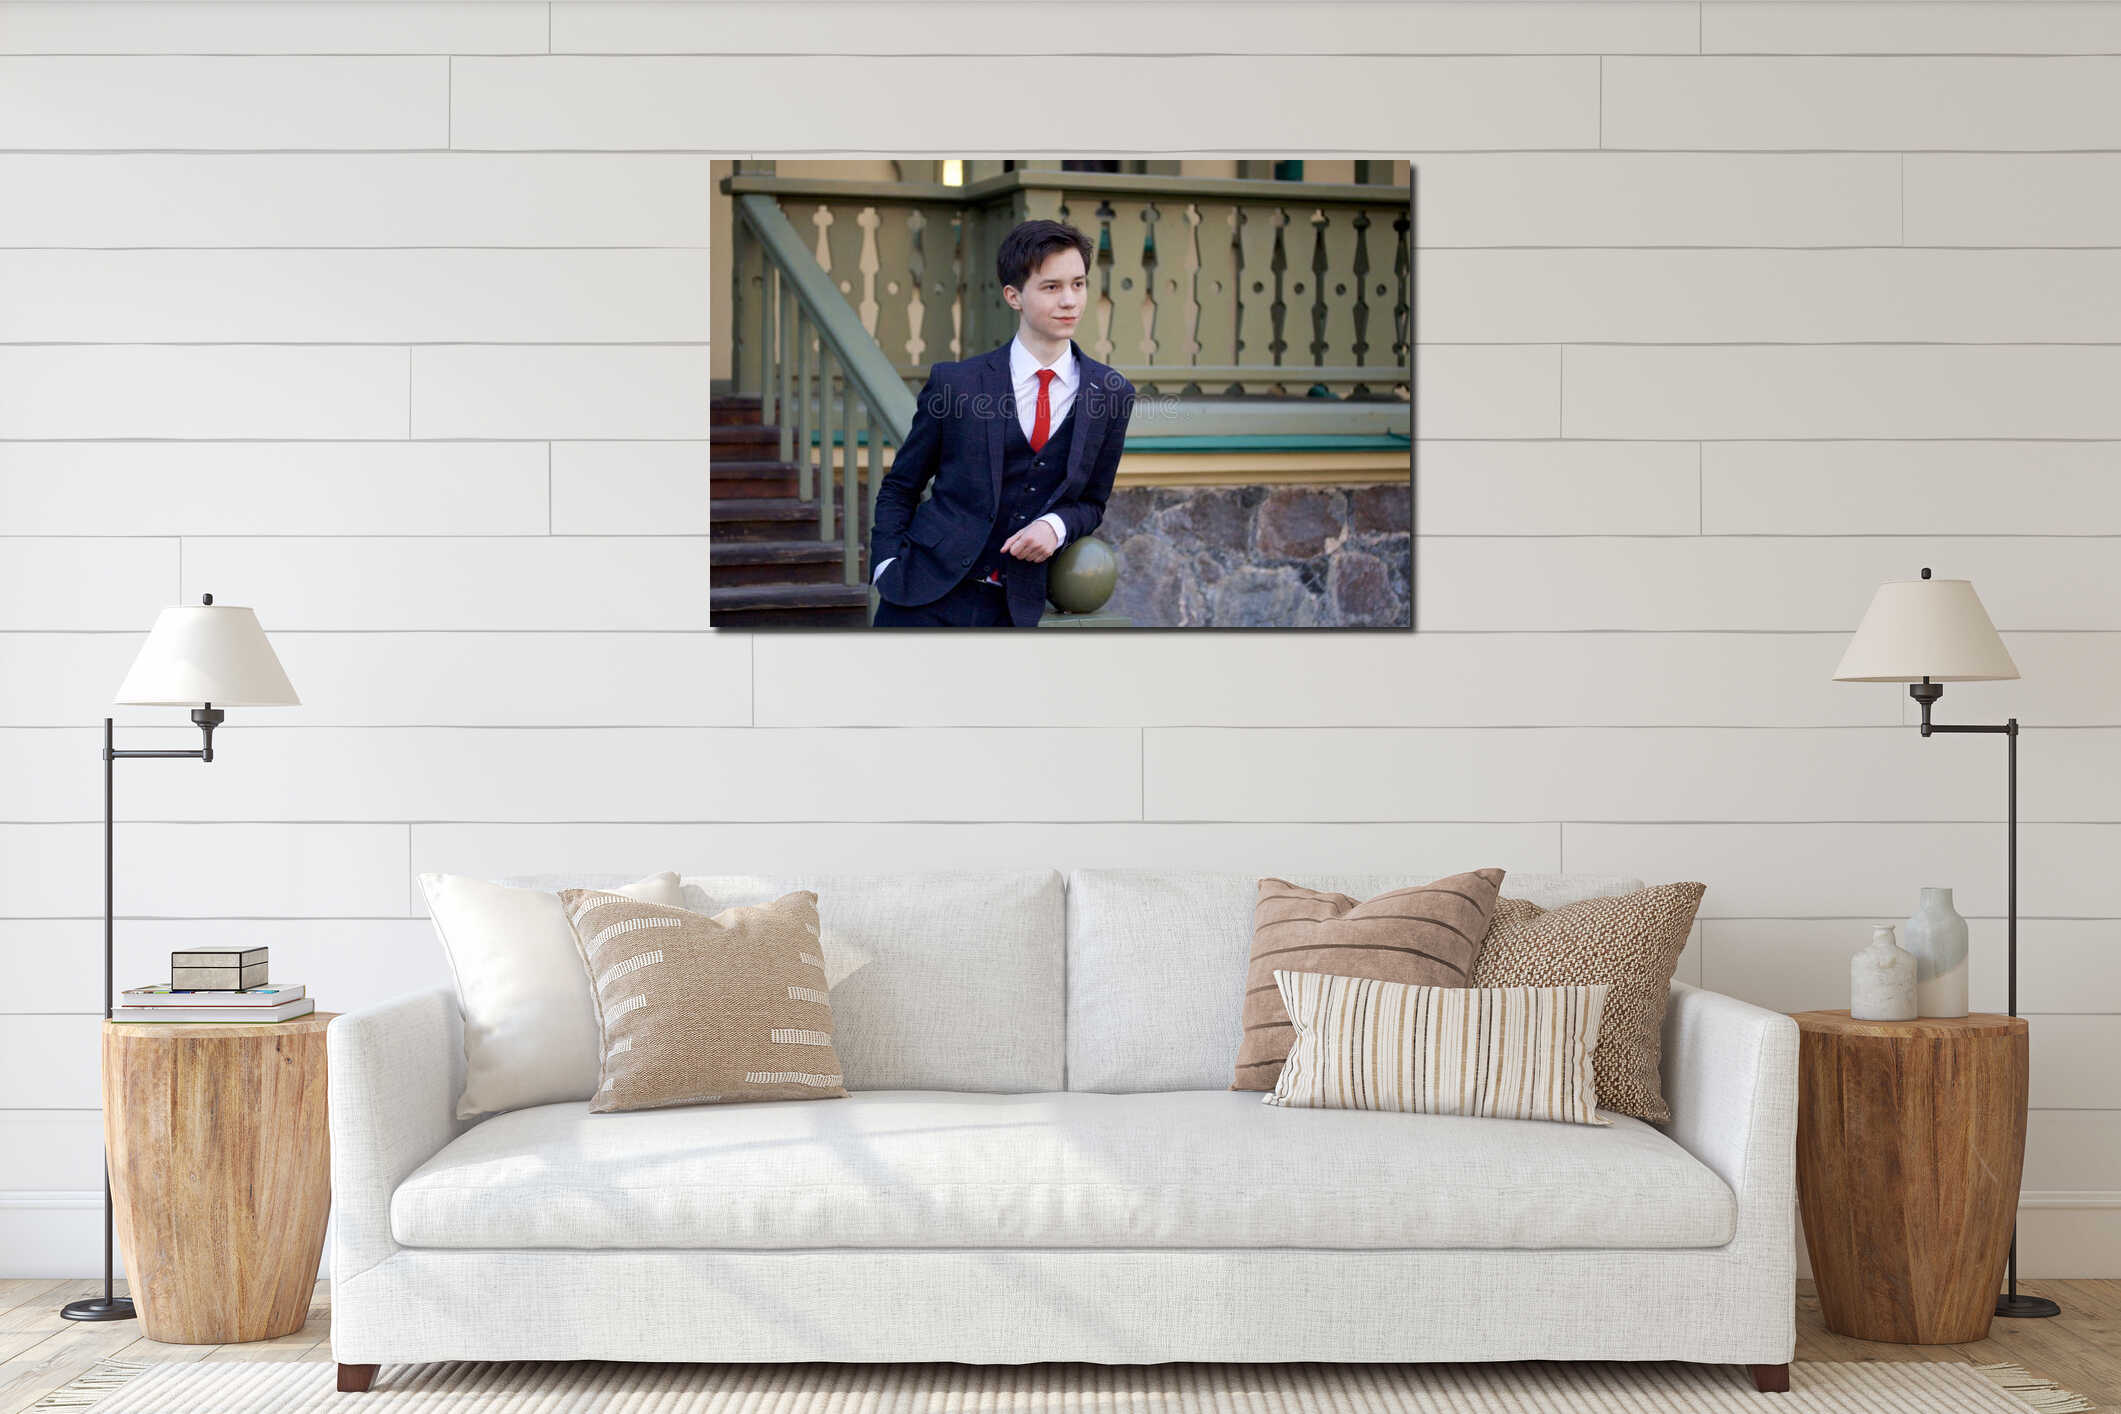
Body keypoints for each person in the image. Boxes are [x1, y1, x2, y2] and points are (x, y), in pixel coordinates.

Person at [868, 219, 1136, 627]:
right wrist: (885, 564)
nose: (1070, 301)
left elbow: (1091, 503)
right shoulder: (955, 384)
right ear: (1014, 296)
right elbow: (901, 485)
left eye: (1078, 284)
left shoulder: (1112, 393)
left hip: (1016, 608)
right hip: (921, 595)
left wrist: (1055, 525)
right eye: (1052, 287)